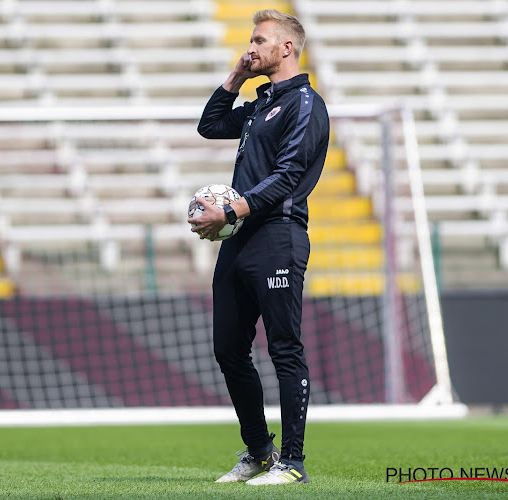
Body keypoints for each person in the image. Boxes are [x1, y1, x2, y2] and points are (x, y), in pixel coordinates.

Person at [188, 9, 329, 485]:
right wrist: (236, 76)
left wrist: (228, 213)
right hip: (239, 243)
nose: (251, 46)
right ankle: (259, 452)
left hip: (278, 238)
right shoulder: (259, 102)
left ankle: (292, 462)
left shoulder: (304, 103)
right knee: (228, 348)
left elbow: (287, 178)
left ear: (286, 47)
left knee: (284, 348)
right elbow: (209, 125)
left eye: (259, 39)